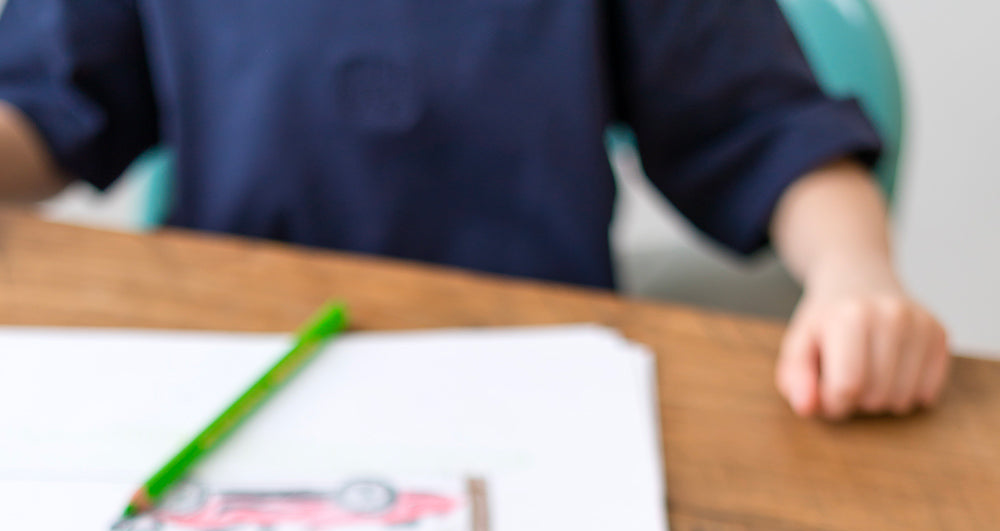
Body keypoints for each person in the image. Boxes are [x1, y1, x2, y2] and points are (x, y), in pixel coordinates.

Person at [0, 0, 948, 419]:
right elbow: (43, 109)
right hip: (231, 377)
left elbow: (767, 123)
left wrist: (853, 274)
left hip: (534, 379)